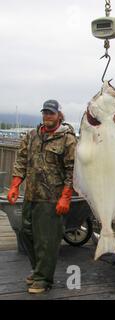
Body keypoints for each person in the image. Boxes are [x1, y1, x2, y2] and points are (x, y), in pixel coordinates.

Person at [7, 100, 77, 294]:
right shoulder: (32, 136)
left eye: (51, 113)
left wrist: (65, 197)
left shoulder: (68, 139)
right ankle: (39, 271)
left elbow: (72, 171)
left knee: (46, 241)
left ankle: (43, 279)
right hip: (31, 195)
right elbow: (21, 161)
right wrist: (15, 186)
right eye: (45, 113)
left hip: (52, 198)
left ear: (59, 116)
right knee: (26, 232)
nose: (47, 116)